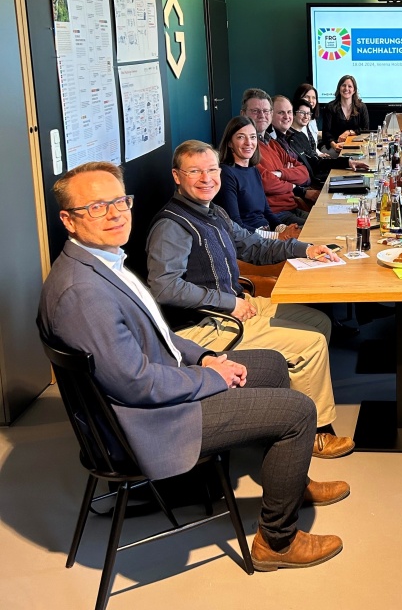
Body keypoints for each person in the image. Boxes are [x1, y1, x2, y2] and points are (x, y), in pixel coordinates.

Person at [38, 161, 349, 572]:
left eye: (119, 201)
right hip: (149, 424)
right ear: (68, 220)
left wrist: (202, 356)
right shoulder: (83, 292)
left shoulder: (101, 263)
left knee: (272, 365)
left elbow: (157, 336)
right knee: (298, 412)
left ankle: (292, 483)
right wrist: (209, 375)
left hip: (159, 395)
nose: (115, 213)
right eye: (96, 207)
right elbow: (135, 385)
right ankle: (277, 540)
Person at [147, 140, 355, 459]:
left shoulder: (213, 212)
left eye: (212, 169)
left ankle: (292, 399)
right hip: (202, 326)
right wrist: (228, 303)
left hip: (236, 305)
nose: (207, 178)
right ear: (177, 176)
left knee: (318, 321)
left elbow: (254, 246)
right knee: (311, 344)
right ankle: (314, 433)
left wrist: (305, 248)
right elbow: (164, 287)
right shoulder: (171, 226)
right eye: (195, 171)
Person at [214, 115, 301, 239]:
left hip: (267, 235)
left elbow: (266, 212)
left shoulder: (253, 170)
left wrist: (284, 229)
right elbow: (235, 225)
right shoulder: (226, 173)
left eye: (253, 137)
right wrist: (277, 236)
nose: (248, 143)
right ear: (229, 143)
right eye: (240, 137)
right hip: (249, 242)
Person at [240, 88, 314, 225]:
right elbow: (266, 183)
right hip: (274, 215)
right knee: (321, 234)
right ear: (243, 114)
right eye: (255, 111)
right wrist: (291, 183)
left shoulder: (272, 143)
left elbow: (304, 173)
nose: (262, 115)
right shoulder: (245, 147)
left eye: (266, 111)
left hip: (293, 207)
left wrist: (279, 174)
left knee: (332, 223)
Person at [287, 96, 370, 185]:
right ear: (293, 113)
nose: (306, 116)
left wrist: (347, 162)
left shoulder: (301, 135)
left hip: (317, 174)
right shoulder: (289, 138)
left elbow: (316, 162)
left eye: (308, 113)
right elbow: (314, 165)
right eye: (302, 113)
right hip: (313, 181)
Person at [321, 75, 370, 152]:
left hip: (355, 146)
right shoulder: (330, 107)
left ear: (354, 90)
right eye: (343, 85)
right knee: (344, 159)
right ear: (339, 88)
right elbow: (326, 134)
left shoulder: (361, 107)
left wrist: (349, 132)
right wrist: (334, 145)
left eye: (350, 86)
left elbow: (365, 129)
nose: (346, 88)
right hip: (333, 146)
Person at [292, 83, 324, 156]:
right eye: (307, 97)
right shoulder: (295, 121)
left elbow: (313, 146)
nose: (311, 101)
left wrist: (320, 154)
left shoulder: (312, 120)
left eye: (314, 98)